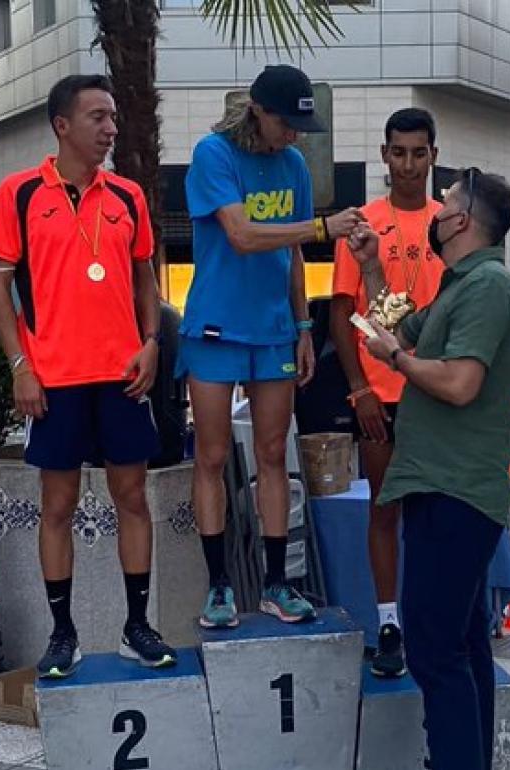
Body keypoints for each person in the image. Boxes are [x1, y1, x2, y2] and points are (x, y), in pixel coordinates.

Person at [0, 74, 175, 677]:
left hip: (121, 374)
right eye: (98, 117)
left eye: (114, 116)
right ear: (62, 125)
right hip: (55, 378)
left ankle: (137, 626)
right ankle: (61, 633)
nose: (111, 128)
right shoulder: (19, 195)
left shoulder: (127, 198)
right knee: (58, 505)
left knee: (132, 499)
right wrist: (20, 367)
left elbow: (146, 275)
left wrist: (150, 344)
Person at [179, 64, 365, 629]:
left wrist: (303, 328)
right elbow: (240, 235)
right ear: (258, 110)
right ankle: (218, 586)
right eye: (286, 122)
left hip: (274, 333)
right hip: (214, 328)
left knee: (272, 459)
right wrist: (319, 228)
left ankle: (277, 583)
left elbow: (291, 256)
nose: (293, 134)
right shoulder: (213, 155)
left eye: (300, 126)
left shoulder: (293, 166)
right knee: (211, 458)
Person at [355, 167, 510, 770]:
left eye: (445, 203)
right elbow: (398, 323)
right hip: (442, 485)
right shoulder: (462, 285)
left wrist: (396, 359)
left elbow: (457, 382)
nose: (435, 211)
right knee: (464, 642)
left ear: (463, 220)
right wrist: (372, 265)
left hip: (456, 489)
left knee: (432, 649)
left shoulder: (488, 288)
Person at [329, 107, 444, 678]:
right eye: (398, 152)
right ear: (383, 155)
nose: (407, 163)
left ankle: (433, 620)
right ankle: (389, 623)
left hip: (437, 390)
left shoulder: (450, 223)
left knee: (434, 513)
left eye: (418, 152)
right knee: (383, 509)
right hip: (381, 394)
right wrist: (358, 389)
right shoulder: (362, 225)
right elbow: (344, 314)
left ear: (433, 156)